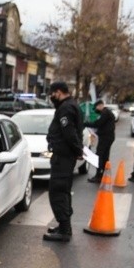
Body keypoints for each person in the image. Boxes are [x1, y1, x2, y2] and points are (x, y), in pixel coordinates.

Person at [43, 81, 83, 242]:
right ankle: (64, 225)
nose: (51, 97)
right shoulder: (72, 105)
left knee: (58, 192)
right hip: (65, 156)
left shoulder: (66, 108)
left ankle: (65, 230)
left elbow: (69, 133)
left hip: (63, 157)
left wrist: (77, 150)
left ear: (58, 92)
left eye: (52, 94)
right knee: (64, 191)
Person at [85, 99, 115, 183]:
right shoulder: (106, 112)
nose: (96, 110)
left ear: (100, 105)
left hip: (106, 137)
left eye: (97, 107)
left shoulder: (105, 113)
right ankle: (103, 174)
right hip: (107, 137)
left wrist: (85, 123)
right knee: (105, 156)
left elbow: (98, 123)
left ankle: (99, 175)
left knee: (99, 156)